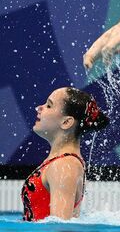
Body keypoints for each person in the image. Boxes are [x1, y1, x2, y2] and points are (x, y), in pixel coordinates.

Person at [21, 87, 109, 221]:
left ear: (66, 122)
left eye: (49, 105)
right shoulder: (61, 162)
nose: (39, 108)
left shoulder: (64, 165)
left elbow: (60, 226)